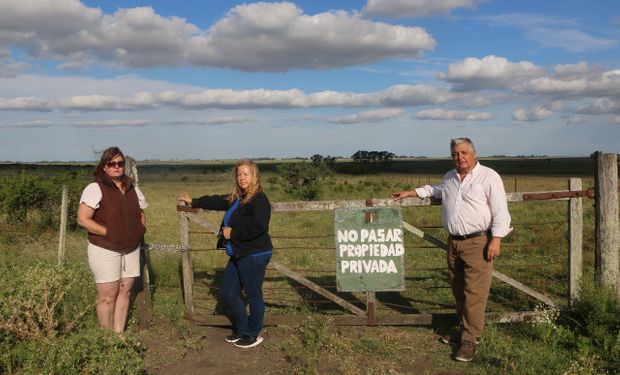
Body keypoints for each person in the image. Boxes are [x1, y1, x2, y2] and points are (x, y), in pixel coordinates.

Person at [391, 138, 511, 362]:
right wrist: (409, 192)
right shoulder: (450, 177)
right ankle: (463, 329)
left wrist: (496, 239)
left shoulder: (488, 176)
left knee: (474, 293)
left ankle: (470, 340)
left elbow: (500, 211)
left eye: (464, 152)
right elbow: (434, 190)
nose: (460, 157)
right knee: (458, 289)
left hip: (478, 242)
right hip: (454, 243)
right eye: (455, 154)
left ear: (474, 153)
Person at [178, 159, 272, 349]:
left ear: (255, 176)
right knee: (228, 292)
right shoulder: (238, 197)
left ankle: (253, 334)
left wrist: (233, 233)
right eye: (239, 174)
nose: (242, 178)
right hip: (238, 254)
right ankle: (242, 327)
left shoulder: (259, 199)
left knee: (254, 295)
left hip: (254, 255)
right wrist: (194, 201)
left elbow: (259, 226)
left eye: (246, 174)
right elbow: (217, 200)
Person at [77, 146, 147, 333]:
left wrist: (140, 229)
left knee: (125, 291)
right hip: (105, 249)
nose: (117, 167)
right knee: (108, 295)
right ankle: (106, 338)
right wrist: (109, 232)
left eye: (120, 163)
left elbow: (140, 213)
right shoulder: (95, 188)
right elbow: (83, 219)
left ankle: (119, 335)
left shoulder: (132, 187)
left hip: (131, 248)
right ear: (104, 167)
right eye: (112, 163)